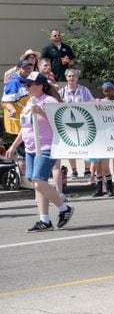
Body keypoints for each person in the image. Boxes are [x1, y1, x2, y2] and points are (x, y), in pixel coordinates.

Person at [6, 72, 74, 231]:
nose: (26, 87)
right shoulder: (30, 102)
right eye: (25, 85)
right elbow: (25, 129)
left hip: (46, 146)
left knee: (38, 180)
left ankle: (64, 208)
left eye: (29, 85)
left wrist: (41, 112)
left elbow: (60, 123)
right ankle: (45, 220)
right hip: (30, 149)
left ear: (40, 86)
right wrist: (13, 146)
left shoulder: (49, 101)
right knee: (37, 183)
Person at [58, 68, 94, 179]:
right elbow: (57, 106)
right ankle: (74, 171)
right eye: (69, 76)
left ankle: (87, 170)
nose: (71, 78)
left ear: (77, 77)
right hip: (67, 124)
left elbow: (92, 103)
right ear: (66, 78)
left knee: (85, 146)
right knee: (70, 147)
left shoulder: (84, 90)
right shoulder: (61, 92)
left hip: (83, 123)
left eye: (73, 76)